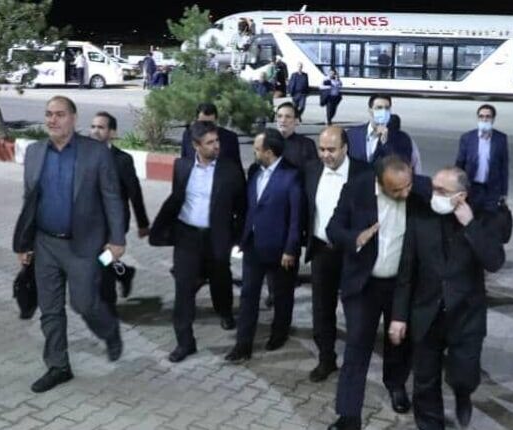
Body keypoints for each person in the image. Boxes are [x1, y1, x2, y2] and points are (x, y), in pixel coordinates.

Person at [12, 96, 125, 392]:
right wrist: (25, 244)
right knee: (50, 309)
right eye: (49, 114)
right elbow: (29, 202)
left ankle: (109, 330)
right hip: (45, 244)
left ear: (73, 118)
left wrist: (117, 240)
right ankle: (58, 366)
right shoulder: (35, 152)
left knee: (83, 303)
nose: (52, 120)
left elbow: (112, 197)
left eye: (60, 114)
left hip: (83, 246)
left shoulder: (95, 153)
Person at [390, 167, 505, 429]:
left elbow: (495, 261)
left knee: (464, 375)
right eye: (433, 188)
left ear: (461, 196)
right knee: (424, 381)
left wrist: (470, 225)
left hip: (466, 316)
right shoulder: (421, 218)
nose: (434, 194)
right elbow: (407, 271)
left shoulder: (482, 220)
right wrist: (398, 316)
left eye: (442, 191)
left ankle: (463, 394)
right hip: (426, 314)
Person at [326, 155, 415, 430]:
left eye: (408, 186)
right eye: (397, 190)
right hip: (364, 285)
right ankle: (349, 415)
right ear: (380, 184)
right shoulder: (357, 189)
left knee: (398, 340)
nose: (405, 193)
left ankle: (396, 384)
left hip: (400, 284)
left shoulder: (416, 191)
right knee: (356, 345)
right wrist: (355, 238)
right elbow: (333, 229)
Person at [149, 121, 247, 363]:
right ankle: (185, 342)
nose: (216, 146)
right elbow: (176, 199)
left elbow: (242, 209)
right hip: (187, 236)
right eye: (210, 143)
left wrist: (236, 238)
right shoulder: (182, 167)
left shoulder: (231, 170)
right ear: (196, 145)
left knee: (220, 279)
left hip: (217, 237)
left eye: (217, 141)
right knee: (183, 289)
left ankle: (224, 311)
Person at [226, 128, 303, 363]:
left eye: (257, 149)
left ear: (269, 152)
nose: (254, 152)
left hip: (281, 250)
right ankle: (243, 345)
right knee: (248, 296)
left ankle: (279, 333)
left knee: (282, 296)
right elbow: (250, 207)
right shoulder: (254, 171)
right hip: (253, 245)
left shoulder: (292, 175)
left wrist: (290, 249)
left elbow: (296, 218)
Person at [302, 126, 370, 382]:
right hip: (322, 251)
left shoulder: (364, 172)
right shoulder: (312, 170)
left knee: (356, 311)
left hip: (353, 254)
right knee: (322, 309)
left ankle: (356, 364)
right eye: (321, 149)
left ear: (345, 148)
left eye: (331, 150)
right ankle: (326, 358)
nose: (325, 155)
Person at [89, 112, 150, 308]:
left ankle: (107, 306)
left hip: (115, 223)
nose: (95, 131)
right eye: (93, 126)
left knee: (102, 262)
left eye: (101, 127)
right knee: (98, 261)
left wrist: (142, 223)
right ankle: (124, 273)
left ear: (112, 133)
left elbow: (134, 192)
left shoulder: (122, 160)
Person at [455, 104, 509, 214]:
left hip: (491, 190)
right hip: (472, 188)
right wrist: (456, 187)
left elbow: (503, 166)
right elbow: (460, 163)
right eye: (481, 116)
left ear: (493, 119)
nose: (484, 119)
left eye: (488, 117)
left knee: (489, 219)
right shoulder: (467, 138)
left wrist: (504, 192)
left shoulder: (501, 139)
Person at [346, 94, 413, 165]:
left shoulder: (401, 138)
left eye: (387, 108)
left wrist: (385, 144)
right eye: (379, 108)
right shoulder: (352, 135)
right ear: (370, 110)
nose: (383, 111)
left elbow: (401, 165)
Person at [180, 103, 242, 170]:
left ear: (216, 120)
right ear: (196, 120)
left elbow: (237, 167)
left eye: (210, 123)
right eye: (203, 123)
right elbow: (184, 162)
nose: (206, 127)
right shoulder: (188, 135)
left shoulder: (230, 138)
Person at [276, 102, 317, 170]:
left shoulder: (307, 144)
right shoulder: (267, 142)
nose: (283, 120)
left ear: (296, 121)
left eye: (288, 117)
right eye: (279, 116)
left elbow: (314, 171)